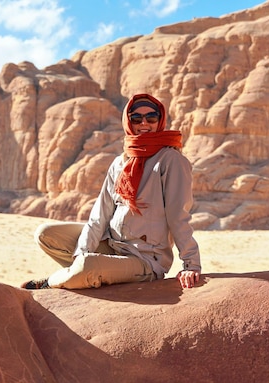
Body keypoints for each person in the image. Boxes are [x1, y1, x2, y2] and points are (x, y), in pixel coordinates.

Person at [21, 93, 201, 290]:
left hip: (144, 258)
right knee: (46, 234)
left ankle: (51, 282)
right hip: (112, 245)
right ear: (128, 121)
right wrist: (83, 251)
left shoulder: (171, 160)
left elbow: (178, 215)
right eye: (136, 118)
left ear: (160, 121)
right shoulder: (120, 162)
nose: (144, 123)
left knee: (88, 266)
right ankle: (82, 271)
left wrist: (191, 264)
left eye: (151, 117)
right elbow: (100, 215)